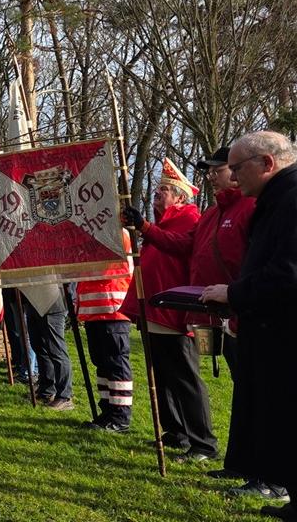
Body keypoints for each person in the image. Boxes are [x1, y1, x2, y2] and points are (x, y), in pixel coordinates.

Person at [201, 131, 297, 519]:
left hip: (285, 333)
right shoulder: (277, 200)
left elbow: (288, 272)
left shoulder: (291, 200)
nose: (233, 177)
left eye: (237, 168)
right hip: (269, 328)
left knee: (287, 415)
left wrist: (234, 293)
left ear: (267, 163)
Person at [121, 157, 216, 460]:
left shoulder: (190, 218)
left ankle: (203, 442)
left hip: (175, 313)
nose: (157, 194)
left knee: (184, 377)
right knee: (162, 376)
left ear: (179, 197)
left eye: (163, 190)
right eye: (157, 189)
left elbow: (178, 245)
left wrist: (145, 227)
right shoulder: (161, 223)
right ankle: (175, 432)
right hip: (155, 311)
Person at [76, 231, 134, 432]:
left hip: (112, 309)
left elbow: (110, 266)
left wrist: (74, 267)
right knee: (102, 365)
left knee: (116, 364)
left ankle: (120, 416)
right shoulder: (92, 234)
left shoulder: (117, 232)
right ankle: (108, 411)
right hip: (95, 311)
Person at [26, 285, 74, 410]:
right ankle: (46, 390)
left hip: (53, 303)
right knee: (39, 347)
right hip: (34, 302)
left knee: (56, 351)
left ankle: (64, 396)